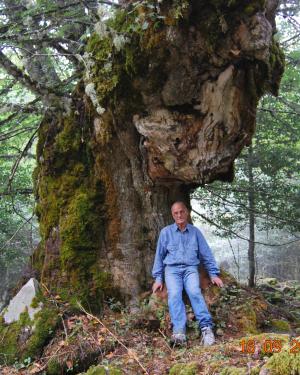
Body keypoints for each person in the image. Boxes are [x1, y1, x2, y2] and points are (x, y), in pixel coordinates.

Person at [152, 201, 224, 346]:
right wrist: (158, 278)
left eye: (182, 212)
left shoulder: (195, 232)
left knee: (194, 292)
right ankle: (179, 333)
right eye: (176, 213)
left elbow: (206, 254)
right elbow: (159, 257)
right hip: (171, 270)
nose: (179, 215)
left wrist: (213, 274)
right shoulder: (166, 232)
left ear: (187, 212)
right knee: (174, 294)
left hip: (190, 269)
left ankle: (206, 328)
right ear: (172, 215)